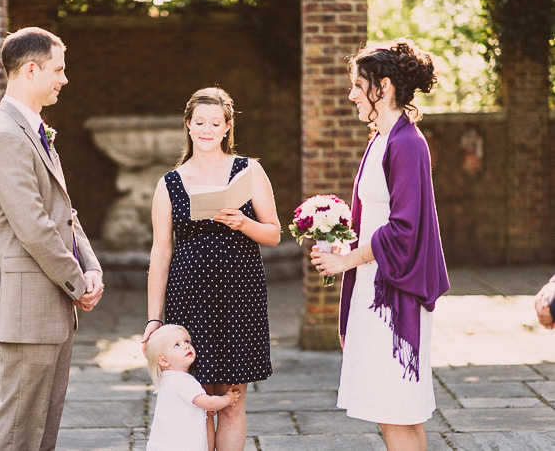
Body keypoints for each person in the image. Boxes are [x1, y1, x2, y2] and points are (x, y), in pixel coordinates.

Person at [309, 39, 450, 451]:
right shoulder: (382, 139)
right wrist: (339, 242)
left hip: (394, 297)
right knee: (396, 413)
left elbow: (404, 229)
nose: (351, 94)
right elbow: (374, 216)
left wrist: (347, 261)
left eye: (358, 84)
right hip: (376, 288)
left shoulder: (406, 144)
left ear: (383, 86)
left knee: (395, 412)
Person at [0, 27, 104, 451]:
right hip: (28, 309)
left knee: (43, 432)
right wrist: (77, 282)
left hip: (52, 306)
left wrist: (91, 265)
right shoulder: (6, 136)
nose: (63, 79)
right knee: (19, 434)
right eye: (57, 69)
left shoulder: (35, 130)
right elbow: (33, 226)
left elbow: (62, 212)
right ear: (31, 70)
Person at [141, 87, 281, 451]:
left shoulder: (249, 171)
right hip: (190, 302)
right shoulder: (169, 183)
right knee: (198, 403)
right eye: (199, 122)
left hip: (240, 298)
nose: (206, 129)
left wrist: (243, 223)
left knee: (233, 403)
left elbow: (274, 234)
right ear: (188, 125)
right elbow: (160, 253)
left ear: (226, 127)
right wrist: (154, 320)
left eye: (215, 123)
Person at [145, 324, 241, 451]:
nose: (186, 346)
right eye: (177, 345)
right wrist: (229, 398)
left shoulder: (167, 380)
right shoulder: (184, 382)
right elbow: (210, 403)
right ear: (163, 361)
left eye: (186, 341)